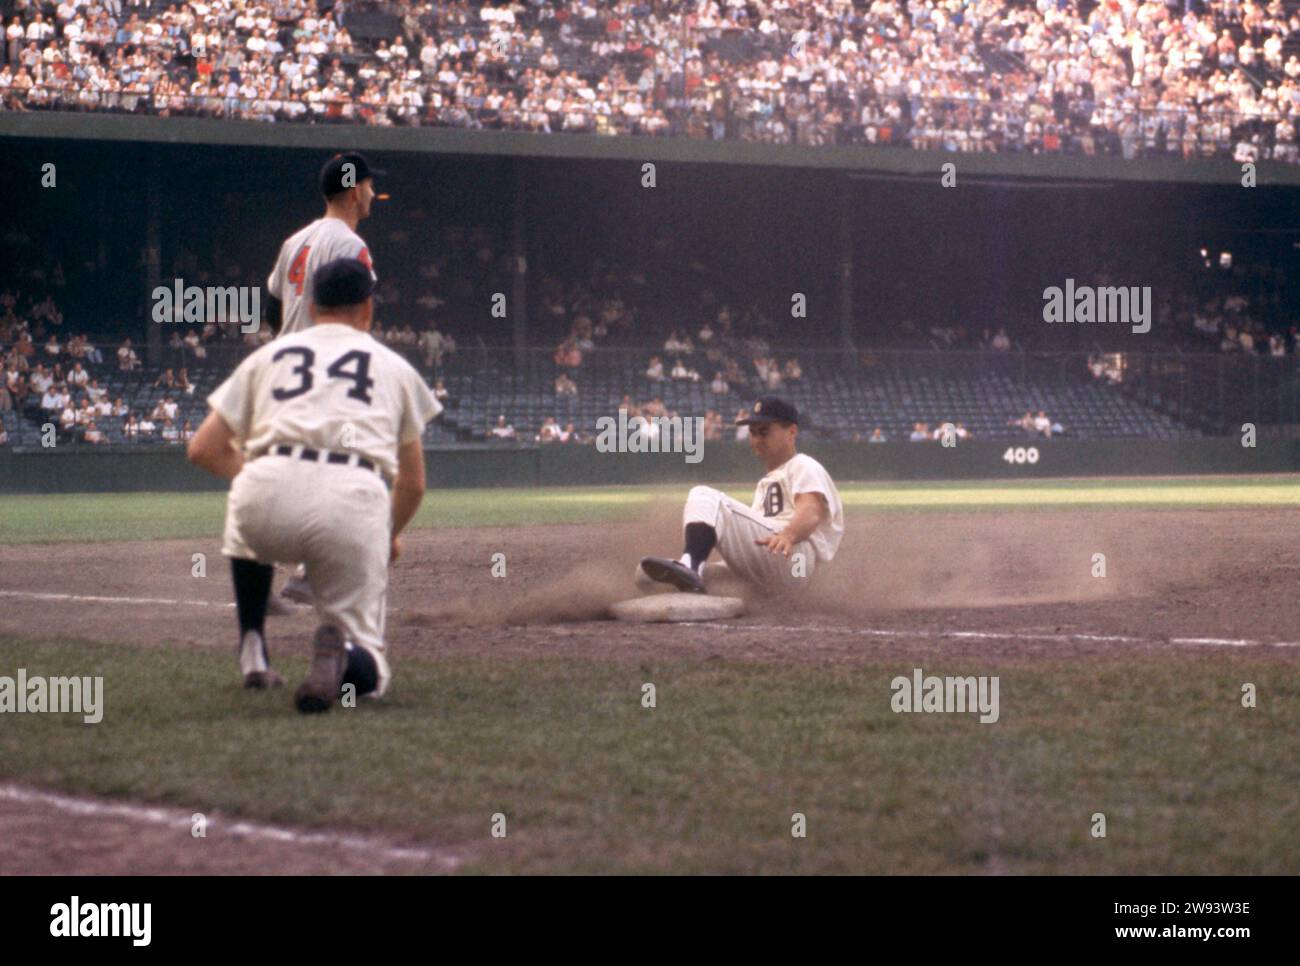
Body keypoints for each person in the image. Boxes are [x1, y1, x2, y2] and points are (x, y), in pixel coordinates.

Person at [187, 257, 440, 712]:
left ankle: (252, 649)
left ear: (311, 304)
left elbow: (203, 449)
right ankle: (342, 655)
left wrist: (261, 477)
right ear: (367, 309)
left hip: (265, 492)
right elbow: (414, 484)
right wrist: (385, 536)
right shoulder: (392, 366)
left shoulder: (269, 356)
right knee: (370, 666)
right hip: (351, 498)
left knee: (248, 533)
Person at [267, 151, 385, 608]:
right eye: (371, 186)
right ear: (355, 190)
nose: (373, 194)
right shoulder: (351, 246)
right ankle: (310, 572)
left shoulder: (295, 240)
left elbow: (274, 300)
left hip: (286, 371)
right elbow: (358, 314)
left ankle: (275, 575)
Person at [637, 396, 844, 596]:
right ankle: (692, 577)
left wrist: (788, 535)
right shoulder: (768, 481)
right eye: (753, 433)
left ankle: (690, 565)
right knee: (648, 576)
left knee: (705, 496)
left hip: (795, 560)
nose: (757, 439)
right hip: (776, 569)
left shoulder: (803, 464)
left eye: (764, 432)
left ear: (791, 431)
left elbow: (811, 511)